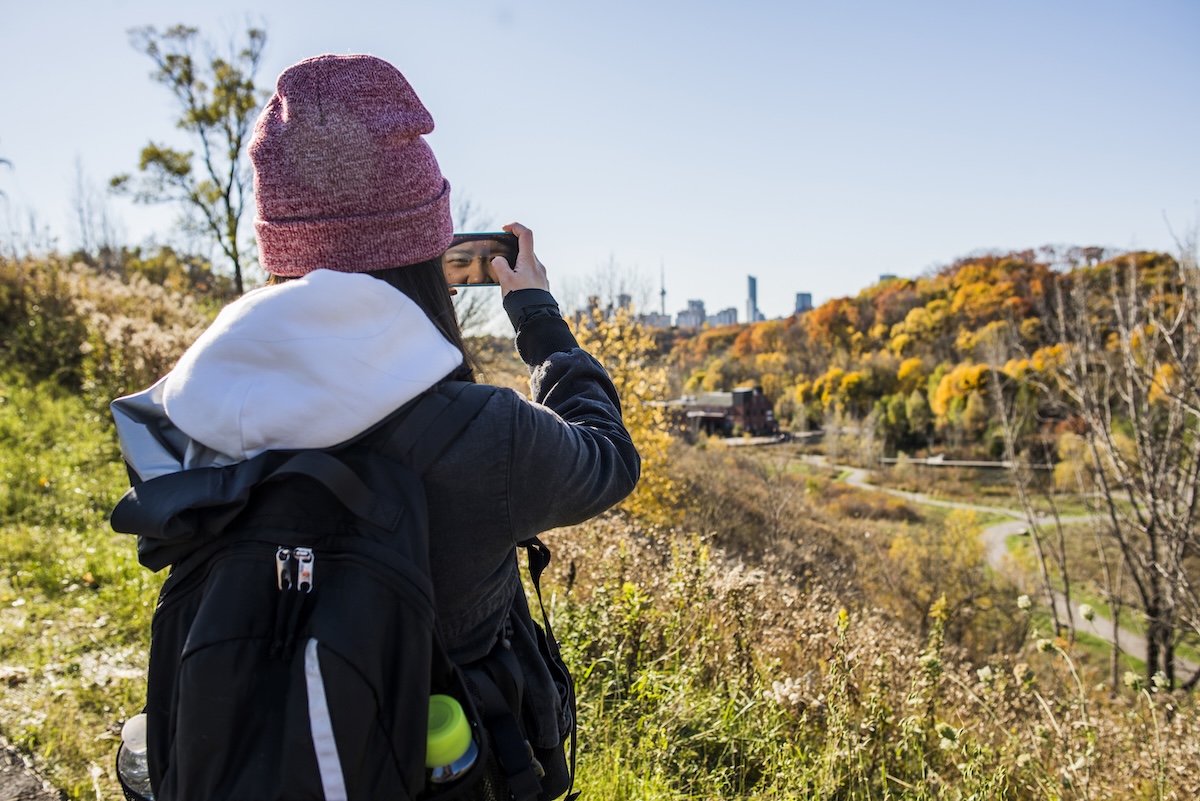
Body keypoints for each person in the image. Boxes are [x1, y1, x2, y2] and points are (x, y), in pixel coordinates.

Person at [111, 53, 641, 799]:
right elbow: (610, 458)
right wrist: (539, 317)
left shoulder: (176, 414)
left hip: (230, 755)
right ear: (431, 251)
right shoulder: (488, 435)